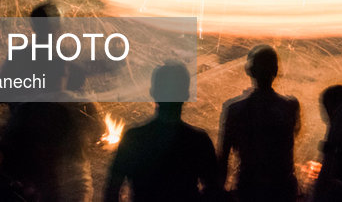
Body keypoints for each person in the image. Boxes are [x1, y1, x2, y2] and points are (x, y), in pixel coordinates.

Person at [104, 62, 221, 202]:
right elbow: (214, 189)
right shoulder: (198, 141)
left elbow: (112, 190)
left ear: (153, 92)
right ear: (186, 93)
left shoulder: (135, 138)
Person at [219, 45, 301, 202]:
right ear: (276, 71)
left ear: (250, 71)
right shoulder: (290, 107)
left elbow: (224, 158)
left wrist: (217, 190)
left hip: (250, 189)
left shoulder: (235, 110)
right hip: (282, 190)